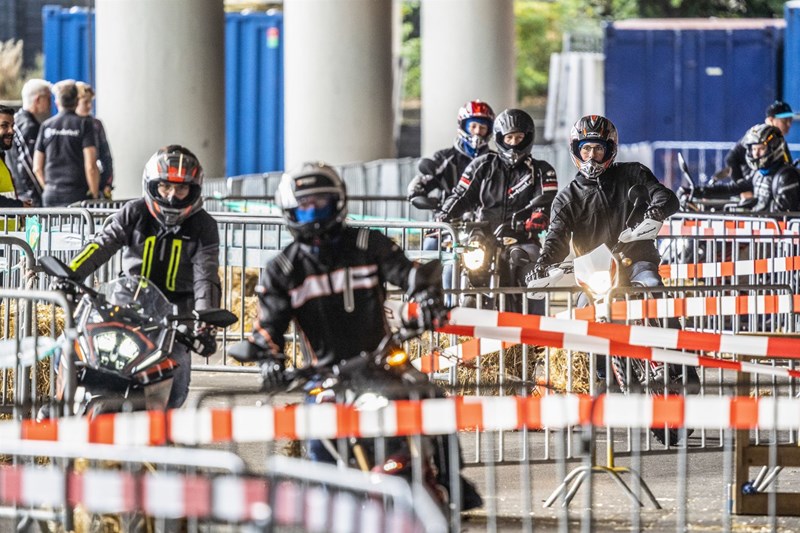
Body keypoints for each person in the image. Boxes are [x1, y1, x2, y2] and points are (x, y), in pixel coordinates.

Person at [241, 161, 482, 510]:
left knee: (432, 398)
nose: (314, 213)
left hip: (384, 360)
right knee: (319, 440)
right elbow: (268, 325)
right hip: (325, 375)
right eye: (305, 206)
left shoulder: (369, 243)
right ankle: (331, 511)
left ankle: (450, 481)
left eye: (321, 203)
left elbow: (409, 273)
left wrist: (428, 297)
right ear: (290, 210)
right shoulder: (283, 269)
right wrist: (267, 357)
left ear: (338, 202)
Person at [65, 145, 221, 408]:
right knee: (83, 362)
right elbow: (103, 243)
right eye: (165, 187)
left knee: (175, 392)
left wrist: (205, 324)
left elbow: (206, 275)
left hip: (174, 320)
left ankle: (159, 437)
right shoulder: (134, 212)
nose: (172, 197)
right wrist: (69, 273)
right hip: (124, 309)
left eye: (181, 189)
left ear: (193, 190)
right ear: (152, 185)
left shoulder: (204, 225)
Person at [534, 115, 678, 288]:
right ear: (576, 150)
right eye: (586, 148)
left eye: (599, 148)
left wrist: (657, 210)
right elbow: (555, 240)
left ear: (609, 150)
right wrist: (542, 264)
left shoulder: (634, 173)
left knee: (653, 285)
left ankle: (666, 316)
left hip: (636, 262)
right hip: (594, 273)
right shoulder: (566, 198)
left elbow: (665, 196)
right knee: (581, 308)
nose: (592, 155)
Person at [438, 108, 558, 290]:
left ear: (528, 138)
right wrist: (444, 215)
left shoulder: (542, 171)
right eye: (509, 138)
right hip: (480, 237)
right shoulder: (482, 165)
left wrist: (538, 218)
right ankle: (448, 313)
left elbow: (545, 201)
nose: (513, 143)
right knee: (450, 267)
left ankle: (534, 317)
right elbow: (461, 195)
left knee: (535, 277)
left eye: (519, 138)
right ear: (500, 138)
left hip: (521, 239)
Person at [683, 124, 799, 212]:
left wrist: (750, 207)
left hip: (777, 241)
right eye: (754, 149)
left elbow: (783, 214)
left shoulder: (786, 177)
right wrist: (697, 191)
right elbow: (731, 189)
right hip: (760, 237)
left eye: (761, 149)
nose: (756, 154)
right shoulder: (759, 174)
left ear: (774, 148)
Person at [33, 79, 100, 206]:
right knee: (78, 227)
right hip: (76, 195)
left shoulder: (46, 125)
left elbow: (37, 167)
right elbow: (91, 165)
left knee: (51, 227)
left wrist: (47, 187)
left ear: (57, 101)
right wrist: (94, 193)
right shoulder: (84, 124)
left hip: (50, 194)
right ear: (76, 100)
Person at [723, 100, 795, 188]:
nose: (788, 124)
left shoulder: (779, 142)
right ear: (770, 120)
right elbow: (730, 159)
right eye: (784, 121)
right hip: (754, 192)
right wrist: (742, 188)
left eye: (790, 120)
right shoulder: (754, 139)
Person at [7, 79, 51, 206]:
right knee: (35, 227)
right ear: (38, 100)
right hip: (30, 198)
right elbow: (32, 166)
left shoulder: (15, 121)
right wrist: (45, 191)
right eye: (48, 98)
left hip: (17, 194)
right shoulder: (29, 126)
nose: (50, 103)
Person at [76, 82, 114, 199]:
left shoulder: (96, 124)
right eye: (85, 102)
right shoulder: (66, 124)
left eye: (90, 102)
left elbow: (106, 156)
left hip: (96, 182)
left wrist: (107, 183)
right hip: (75, 185)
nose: (89, 106)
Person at [0, 106, 31, 210]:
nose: (11, 131)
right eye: (4, 126)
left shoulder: (1, 157)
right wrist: (19, 206)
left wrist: (18, 204)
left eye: (12, 126)